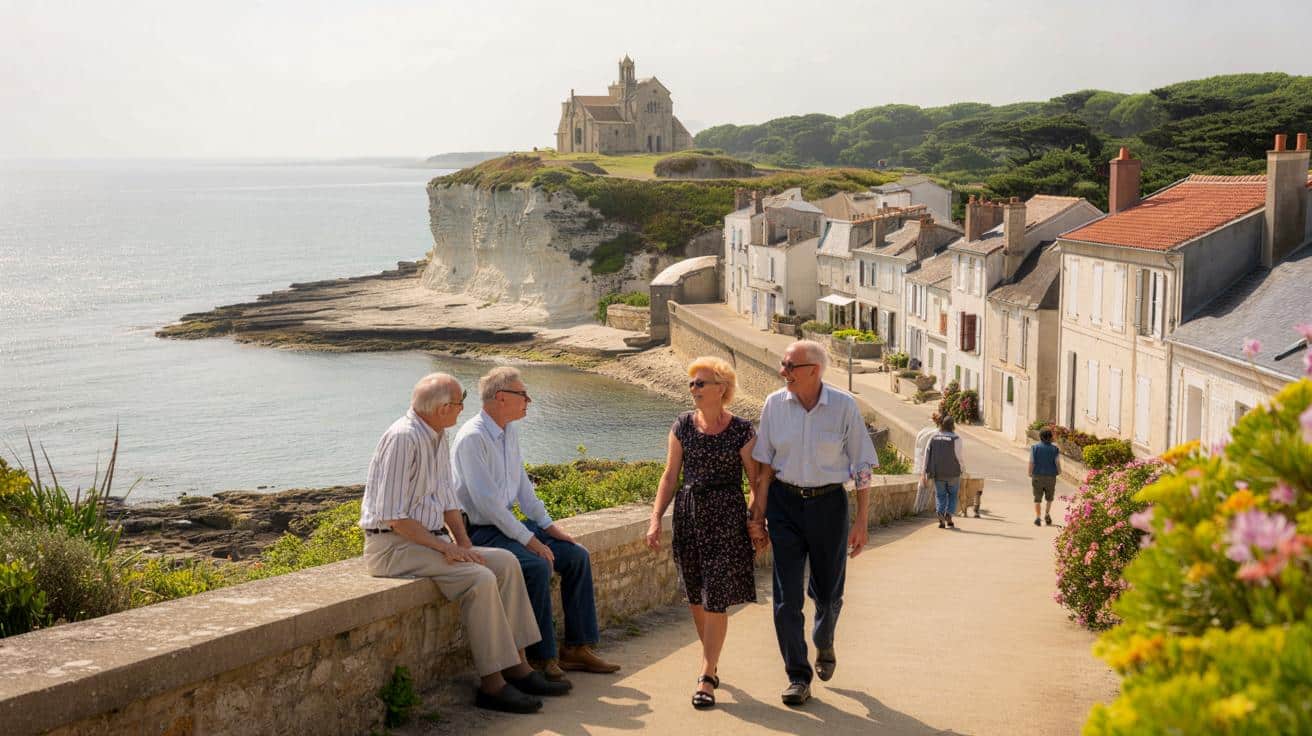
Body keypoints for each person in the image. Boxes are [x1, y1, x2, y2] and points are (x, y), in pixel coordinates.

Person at [360, 373, 568, 715]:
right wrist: (447, 549)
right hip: (392, 548)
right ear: (443, 407)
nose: (462, 408)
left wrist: (463, 542)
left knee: (504, 562)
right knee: (479, 577)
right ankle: (493, 684)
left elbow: (447, 500)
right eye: (460, 401)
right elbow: (394, 517)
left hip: (425, 542)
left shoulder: (437, 436)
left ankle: (519, 666)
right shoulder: (403, 438)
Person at [453, 366, 621, 685]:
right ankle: (542, 658)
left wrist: (548, 527)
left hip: (508, 523)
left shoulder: (508, 431)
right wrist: (530, 540)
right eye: (522, 394)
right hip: (483, 529)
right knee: (537, 566)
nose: (528, 400)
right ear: (501, 398)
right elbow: (488, 505)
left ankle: (576, 647)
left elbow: (523, 489)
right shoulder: (472, 438)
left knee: (576, 555)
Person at [752, 340, 879, 707]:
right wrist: (757, 514)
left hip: (829, 506)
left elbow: (862, 467)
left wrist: (862, 521)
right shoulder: (775, 404)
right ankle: (797, 676)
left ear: (814, 370)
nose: (783, 372)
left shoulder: (843, 406)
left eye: (790, 366)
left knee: (828, 593)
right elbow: (764, 465)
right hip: (785, 505)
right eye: (783, 364)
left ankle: (824, 640)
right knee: (786, 598)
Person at [646, 356, 765, 710]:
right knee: (696, 594)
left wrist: (756, 519)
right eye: (691, 384)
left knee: (716, 595)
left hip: (727, 517)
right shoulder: (682, 424)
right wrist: (655, 518)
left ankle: (706, 674)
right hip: (688, 515)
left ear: (722, 389)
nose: (693, 389)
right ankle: (710, 662)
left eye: (701, 383)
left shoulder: (742, 430)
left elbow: (755, 480)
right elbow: (669, 476)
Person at [921, 415, 965, 529]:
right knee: (953, 494)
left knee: (940, 495)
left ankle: (940, 514)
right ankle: (949, 514)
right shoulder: (956, 439)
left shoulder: (933, 438)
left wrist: (924, 473)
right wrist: (962, 469)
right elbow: (959, 457)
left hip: (938, 472)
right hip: (953, 472)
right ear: (953, 426)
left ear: (942, 425)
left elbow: (926, 455)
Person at [1029, 428, 1062, 526]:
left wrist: (1030, 472)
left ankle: (1038, 517)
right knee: (1049, 498)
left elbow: (1032, 462)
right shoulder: (1055, 449)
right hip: (1051, 476)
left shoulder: (1034, 448)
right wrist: (1059, 471)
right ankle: (1047, 513)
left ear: (1040, 437)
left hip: (1037, 475)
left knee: (1037, 498)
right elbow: (1057, 462)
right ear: (1050, 437)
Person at [911, 422, 939, 513]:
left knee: (923, 485)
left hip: (924, 462)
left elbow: (922, 450)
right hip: (931, 464)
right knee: (930, 486)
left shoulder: (925, 432)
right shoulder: (937, 434)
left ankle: (917, 509)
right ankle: (921, 509)